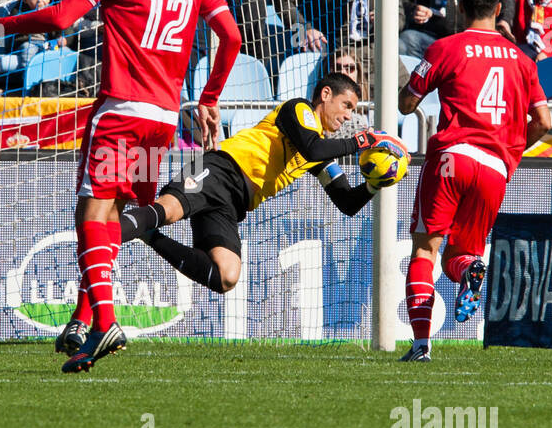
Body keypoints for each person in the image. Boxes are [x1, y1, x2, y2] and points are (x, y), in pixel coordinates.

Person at [0, 0, 242, 372]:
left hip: (121, 109)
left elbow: (60, 18)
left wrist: (3, 22)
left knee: (90, 212)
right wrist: (210, 98)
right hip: (162, 119)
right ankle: (83, 319)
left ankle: (105, 322)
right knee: (114, 214)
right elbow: (233, 38)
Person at [119, 72, 406, 293]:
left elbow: (346, 202)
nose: (348, 116)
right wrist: (361, 141)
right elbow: (312, 148)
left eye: (352, 110)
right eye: (346, 105)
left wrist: (375, 183)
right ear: (325, 94)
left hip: (234, 202)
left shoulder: (320, 154)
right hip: (220, 167)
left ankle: (147, 235)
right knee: (167, 212)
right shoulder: (299, 110)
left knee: (226, 276)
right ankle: (102, 233)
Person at [397, 0, 552, 361]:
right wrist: (511, 153)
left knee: (425, 252)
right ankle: (471, 271)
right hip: (494, 169)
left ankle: (420, 345)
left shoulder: (445, 48)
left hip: (452, 157)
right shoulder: (522, 60)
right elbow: (545, 122)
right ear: (499, 8)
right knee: (460, 254)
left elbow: (407, 103)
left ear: (460, 6)